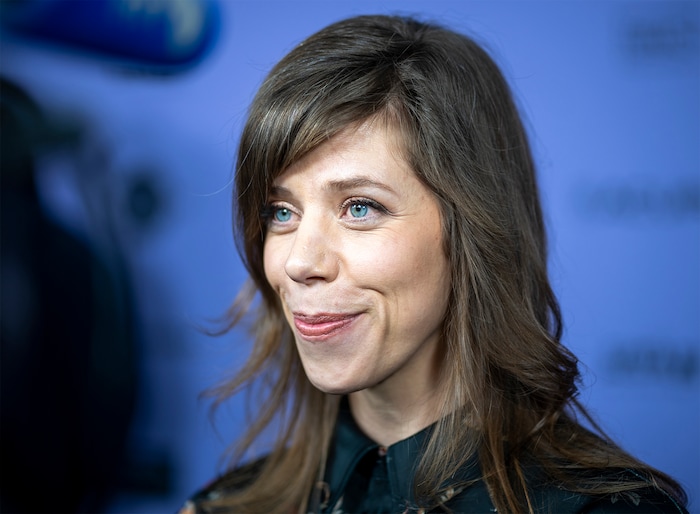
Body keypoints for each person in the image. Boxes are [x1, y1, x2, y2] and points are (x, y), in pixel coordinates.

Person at [180, 14, 689, 514]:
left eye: (360, 207)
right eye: (281, 212)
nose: (299, 262)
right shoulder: (224, 507)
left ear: (473, 229)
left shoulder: (607, 508)